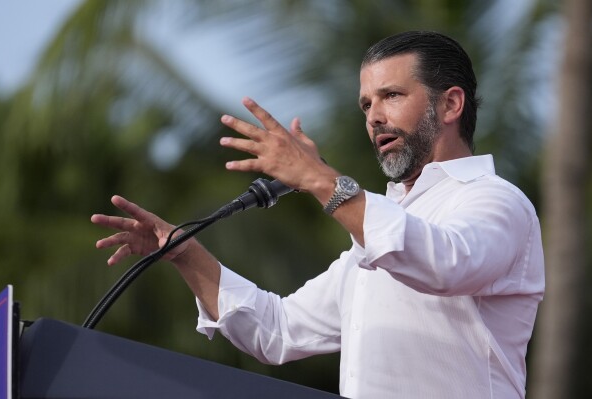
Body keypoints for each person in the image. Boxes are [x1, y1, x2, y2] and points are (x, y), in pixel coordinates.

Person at [91, 31, 544, 398]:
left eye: (391, 95)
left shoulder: (496, 201)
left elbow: (445, 263)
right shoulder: (376, 232)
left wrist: (318, 178)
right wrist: (186, 254)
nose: (374, 117)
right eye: (366, 104)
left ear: (450, 104)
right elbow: (278, 331)